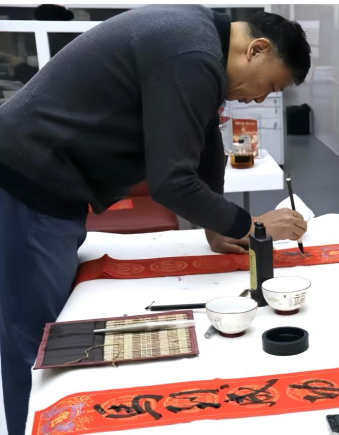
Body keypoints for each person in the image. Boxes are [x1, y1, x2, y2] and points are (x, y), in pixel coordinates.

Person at [0, 6, 310, 433]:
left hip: (51, 180)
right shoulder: (192, 54)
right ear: (256, 49)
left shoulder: (202, 39)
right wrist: (250, 224)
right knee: (37, 341)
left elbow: (205, 142)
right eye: (270, 86)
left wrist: (215, 223)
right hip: (28, 181)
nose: (259, 99)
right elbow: (172, 183)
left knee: (50, 328)